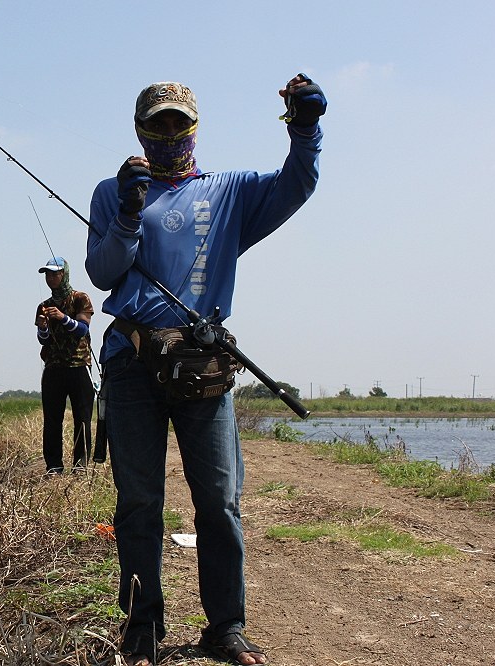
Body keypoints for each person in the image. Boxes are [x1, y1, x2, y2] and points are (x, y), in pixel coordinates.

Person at [85, 75, 326, 666]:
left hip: (203, 366)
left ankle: (227, 627)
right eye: (157, 123)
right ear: (140, 129)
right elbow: (101, 271)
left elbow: (297, 184)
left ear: (194, 126)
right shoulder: (111, 191)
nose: (169, 134)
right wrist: (127, 213)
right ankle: (142, 629)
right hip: (131, 362)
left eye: (178, 122)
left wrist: (306, 128)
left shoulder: (231, 192)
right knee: (138, 501)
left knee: (218, 499)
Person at [34, 256, 96, 475]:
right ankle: (54, 466)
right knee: (52, 420)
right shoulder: (44, 306)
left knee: (82, 418)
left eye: (55, 273)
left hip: (79, 367)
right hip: (53, 369)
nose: (51, 278)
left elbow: (82, 329)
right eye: (47, 275)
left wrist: (62, 317)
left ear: (64, 274)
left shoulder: (80, 298)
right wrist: (43, 326)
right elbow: (43, 339)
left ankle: (80, 466)